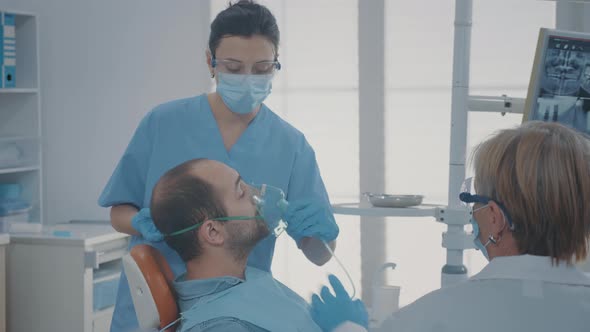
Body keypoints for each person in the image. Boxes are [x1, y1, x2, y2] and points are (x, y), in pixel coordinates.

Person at [98, 1, 339, 330]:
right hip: (154, 308)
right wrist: (144, 222)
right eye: (234, 67)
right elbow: (118, 213)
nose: (248, 79)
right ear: (210, 62)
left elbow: (320, 254)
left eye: (262, 68)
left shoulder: (290, 145)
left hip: (238, 309)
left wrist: (315, 234)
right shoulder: (163, 123)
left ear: (276, 66)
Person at [311, 121, 590, 332]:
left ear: (495, 217)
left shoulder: (433, 317)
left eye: (474, 199)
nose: (472, 212)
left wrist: (345, 327)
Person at [149, 158, 321, 332]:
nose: (258, 194)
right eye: (241, 192)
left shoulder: (242, 278)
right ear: (213, 232)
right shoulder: (221, 326)